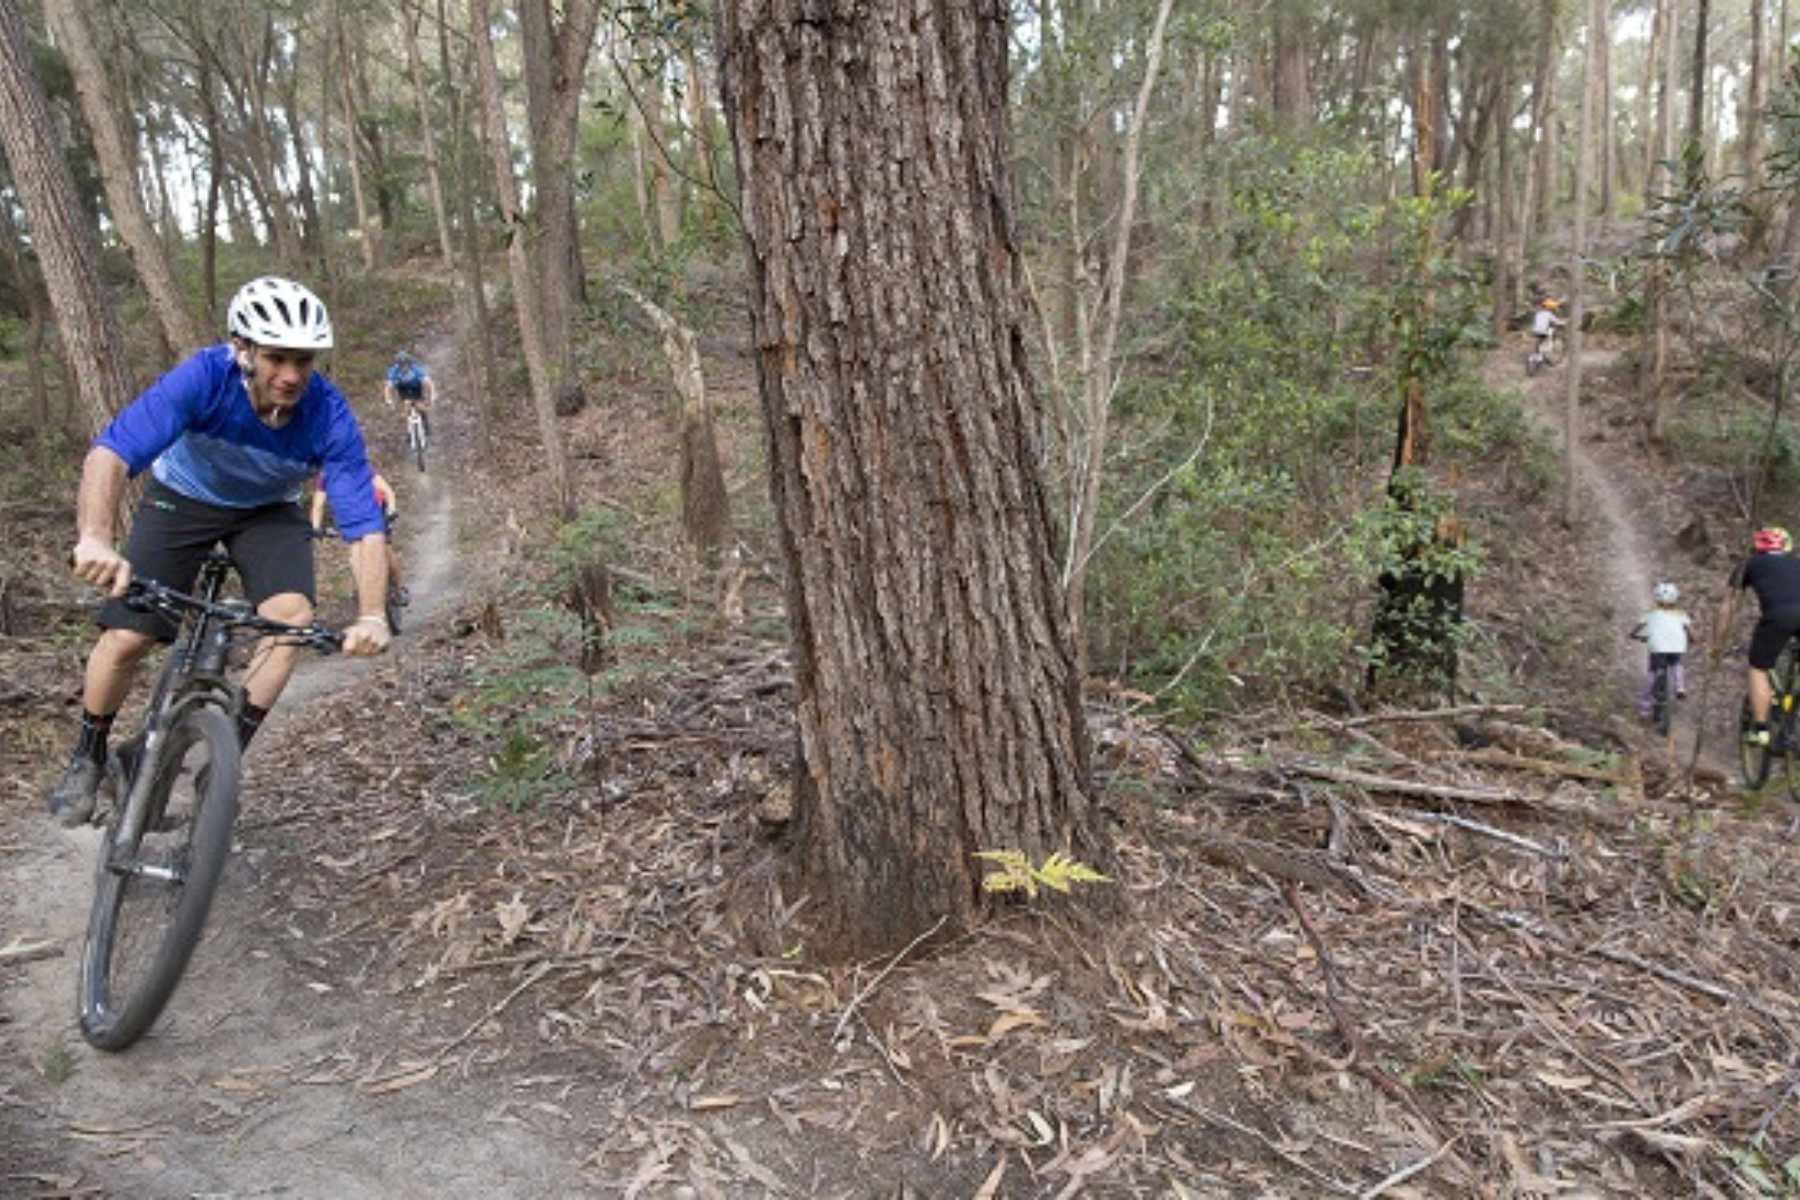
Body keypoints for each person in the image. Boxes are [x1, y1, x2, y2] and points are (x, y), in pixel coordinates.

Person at [49, 276, 392, 826]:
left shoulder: (327, 412)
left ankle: (224, 757)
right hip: (183, 498)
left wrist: (372, 614)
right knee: (130, 635)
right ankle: (88, 755)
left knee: (291, 621)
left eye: (304, 361)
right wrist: (94, 537)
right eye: (277, 359)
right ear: (243, 350)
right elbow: (111, 454)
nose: (291, 375)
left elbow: (363, 523)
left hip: (266, 511)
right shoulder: (204, 378)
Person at [1714, 526, 1800, 747]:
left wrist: (1718, 644)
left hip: (1779, 616)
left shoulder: (1749, 565)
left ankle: (1761, 729)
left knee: (1758, 667)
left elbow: (1727, 608)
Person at [311, 467, 407, 602]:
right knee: (354, 556)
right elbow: (318, 505)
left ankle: (398, 587)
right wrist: (316, 528)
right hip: (351, 518)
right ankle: (363, 593)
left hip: (375, 509)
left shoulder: (360, 467)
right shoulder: (326, 476)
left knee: (385, 548)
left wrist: (391, 509)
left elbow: (386, 490)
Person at [1631, 581, 1693, 716]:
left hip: (1657, 646)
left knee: (1653, 671)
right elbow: (1689, 630)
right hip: (1677, 646)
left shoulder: (1651, 613)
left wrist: (1633, 634)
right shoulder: (1680, 613)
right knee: (1676, 663)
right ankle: (1680, 686)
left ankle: (1645, 704)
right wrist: (1693, 639)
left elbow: (1639, 627)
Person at [383, 350, 436, 437]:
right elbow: (388, 387)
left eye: (406, 364)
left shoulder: (416, 369)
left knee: (419, 406)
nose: (404, 367)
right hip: (403, 389)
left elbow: (429, 383)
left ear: (409, 363)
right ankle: (409, 431)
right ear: (398, 365)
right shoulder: (394, 371)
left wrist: (433, 395)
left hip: (416, 388)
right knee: (406, 407)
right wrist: (388, 400)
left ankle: (425, 423)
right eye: (401, 365)